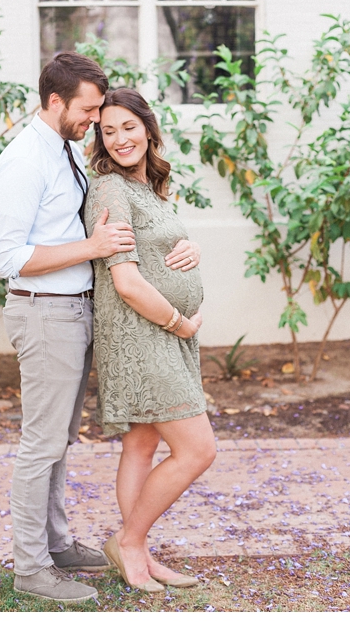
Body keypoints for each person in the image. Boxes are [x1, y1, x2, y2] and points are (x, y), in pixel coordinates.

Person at [0, 52, 201, 603]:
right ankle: (31, 567)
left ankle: (57, 545)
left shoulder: (64, 152)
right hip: (43, 309)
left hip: (75, 309)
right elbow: (6, 257)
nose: (94, 122)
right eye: (88, 112)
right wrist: (93, 247)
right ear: (56, 101)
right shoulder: (24, 160)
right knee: (41, 444)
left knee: (59, 439)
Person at [84, 88, 215, 592]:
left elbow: (163, 247)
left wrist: (192, 245)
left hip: (161, 332)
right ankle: (130, 541)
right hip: (144, 334)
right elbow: (126, 281)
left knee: (142, 443)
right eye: (108, 130)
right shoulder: (111, 189)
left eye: (128, 127)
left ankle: (139, 553)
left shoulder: (149, 186)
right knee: (198, 449)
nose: (119, 139)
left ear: (148, 127)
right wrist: (180, 322)